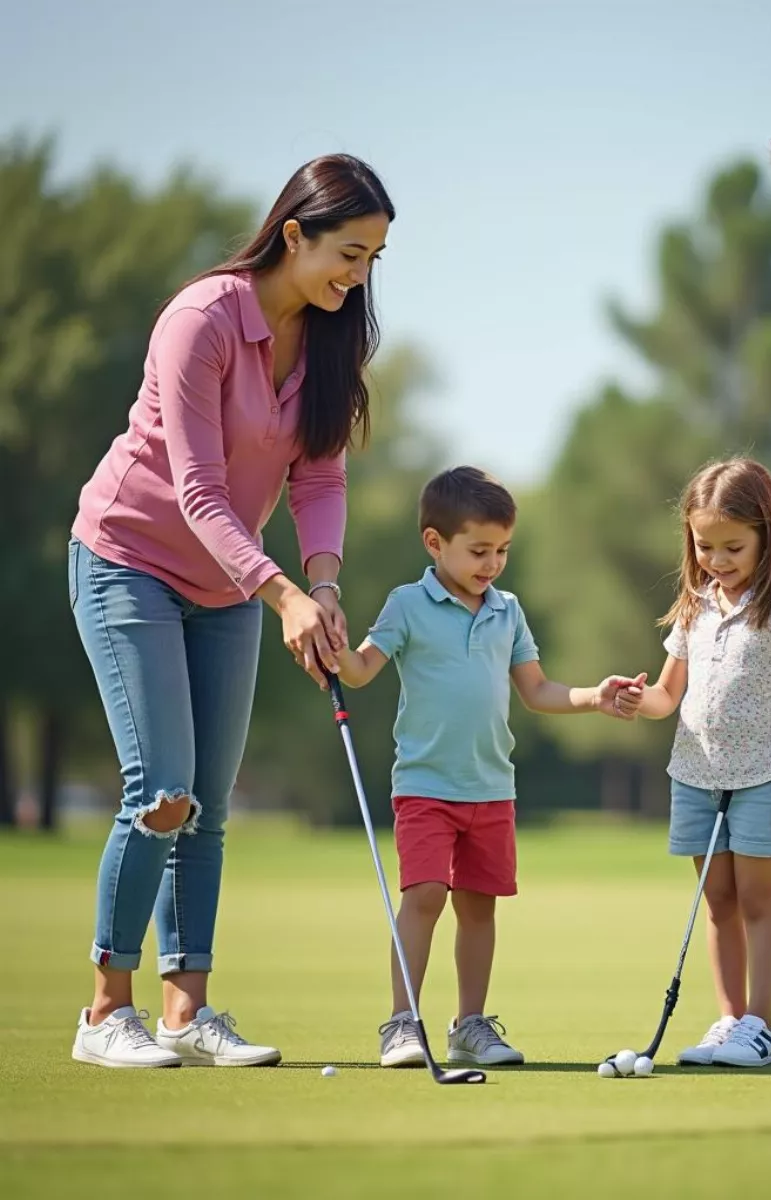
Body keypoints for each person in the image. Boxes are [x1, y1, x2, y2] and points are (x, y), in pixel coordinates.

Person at [68, 154, 394, 1068]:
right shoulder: (202, 319)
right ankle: (104, 1015)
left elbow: (319, 474)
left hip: (228, 589)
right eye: (348, 252)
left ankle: (186, 1013)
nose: (357, 275)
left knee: (208, 804)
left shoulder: (331, 335)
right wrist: (283, 590)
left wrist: (322, 585)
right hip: (128, 562)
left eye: (372, 259)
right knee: (161, 791)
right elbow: (198, 488)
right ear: (294, 233)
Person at [333, 466, 645, 1067]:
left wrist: (593, 696)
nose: (492, 563)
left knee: (479, 905)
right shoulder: (407, 604)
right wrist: (331, 646)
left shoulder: (507, 611)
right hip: (424, 784)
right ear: (435, 543)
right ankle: (401, 1024)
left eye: (502, 550)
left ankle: (469, 1026)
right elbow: (361, 669)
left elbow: (536, 690)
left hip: (491, 786)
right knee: (424, 895)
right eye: (479, 550)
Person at [634, 459, 771, 1068]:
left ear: (766, 535)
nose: (717, 558)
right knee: (717, 903)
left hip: (764, 776)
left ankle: (758, 1026)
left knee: (758, 901)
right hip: (694, 775)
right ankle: (728, 1018)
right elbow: (667, 696)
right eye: (705, 545)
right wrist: (633, 701)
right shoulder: (694, 607)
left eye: (733, 546)